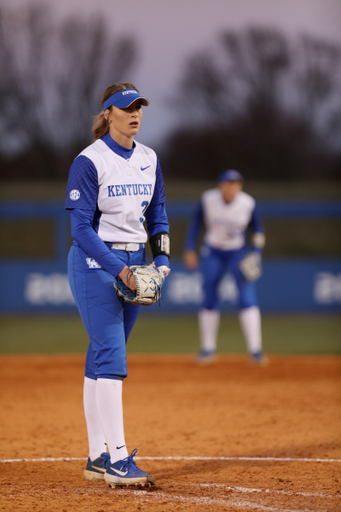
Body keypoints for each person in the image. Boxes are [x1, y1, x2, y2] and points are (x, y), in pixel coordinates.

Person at [65, 83, 170, 487]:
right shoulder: (89, 161)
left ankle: (96, 456)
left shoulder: (149, 158)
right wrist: (119, 271)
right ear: (107, 113)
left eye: (139, 107)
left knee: (101, 359)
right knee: (112, 356)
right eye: (126, 107)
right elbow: (81, 229)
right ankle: (118, 461)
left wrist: (159, 261)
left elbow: (158, 213)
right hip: (95, 260)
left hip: (134, 259)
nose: (135, 113)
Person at [183, 170, 267, 365]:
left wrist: (256, 253)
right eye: (227, 183)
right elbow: (195, 223)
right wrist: (189, 248)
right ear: (220, 185)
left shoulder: (247, 203)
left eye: (235, 183)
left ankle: (256, 349)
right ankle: (207, 349)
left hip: (238, 252)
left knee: (246, 297)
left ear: (240, 186)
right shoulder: (208, 199)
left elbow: (258, 229)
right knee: (209, 296)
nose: (231, 187)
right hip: (213, 251)